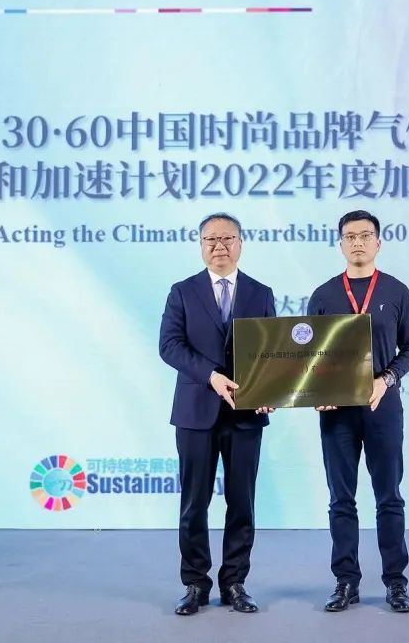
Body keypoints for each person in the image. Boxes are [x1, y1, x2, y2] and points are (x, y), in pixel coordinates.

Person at [158, 212, 276, 615]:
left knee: (242, 503)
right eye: (211, 239)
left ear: (240, 243)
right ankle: (195, 584)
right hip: (196, 412)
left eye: (227, 239)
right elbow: (169, 345)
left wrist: (270, 391)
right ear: (201, 245)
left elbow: (273, 353)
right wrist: (210, 376)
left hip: (246, 413)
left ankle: (235, 583)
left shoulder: (260, 293)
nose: (219, 246)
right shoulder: (182, 291)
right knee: (194, 503)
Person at [308, 209, 409, 613]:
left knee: (389, 497)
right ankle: (345, 582)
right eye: (350, 236)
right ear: (340, 244)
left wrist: (385, 379)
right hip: (336, 411)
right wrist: (317, 391)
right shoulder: (324, 295)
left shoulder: (397, 292)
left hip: (381, 406)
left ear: (378, 242)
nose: (357, 242)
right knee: (341, 499)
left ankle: (396, 583)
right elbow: (309, 357)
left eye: (365, 235)